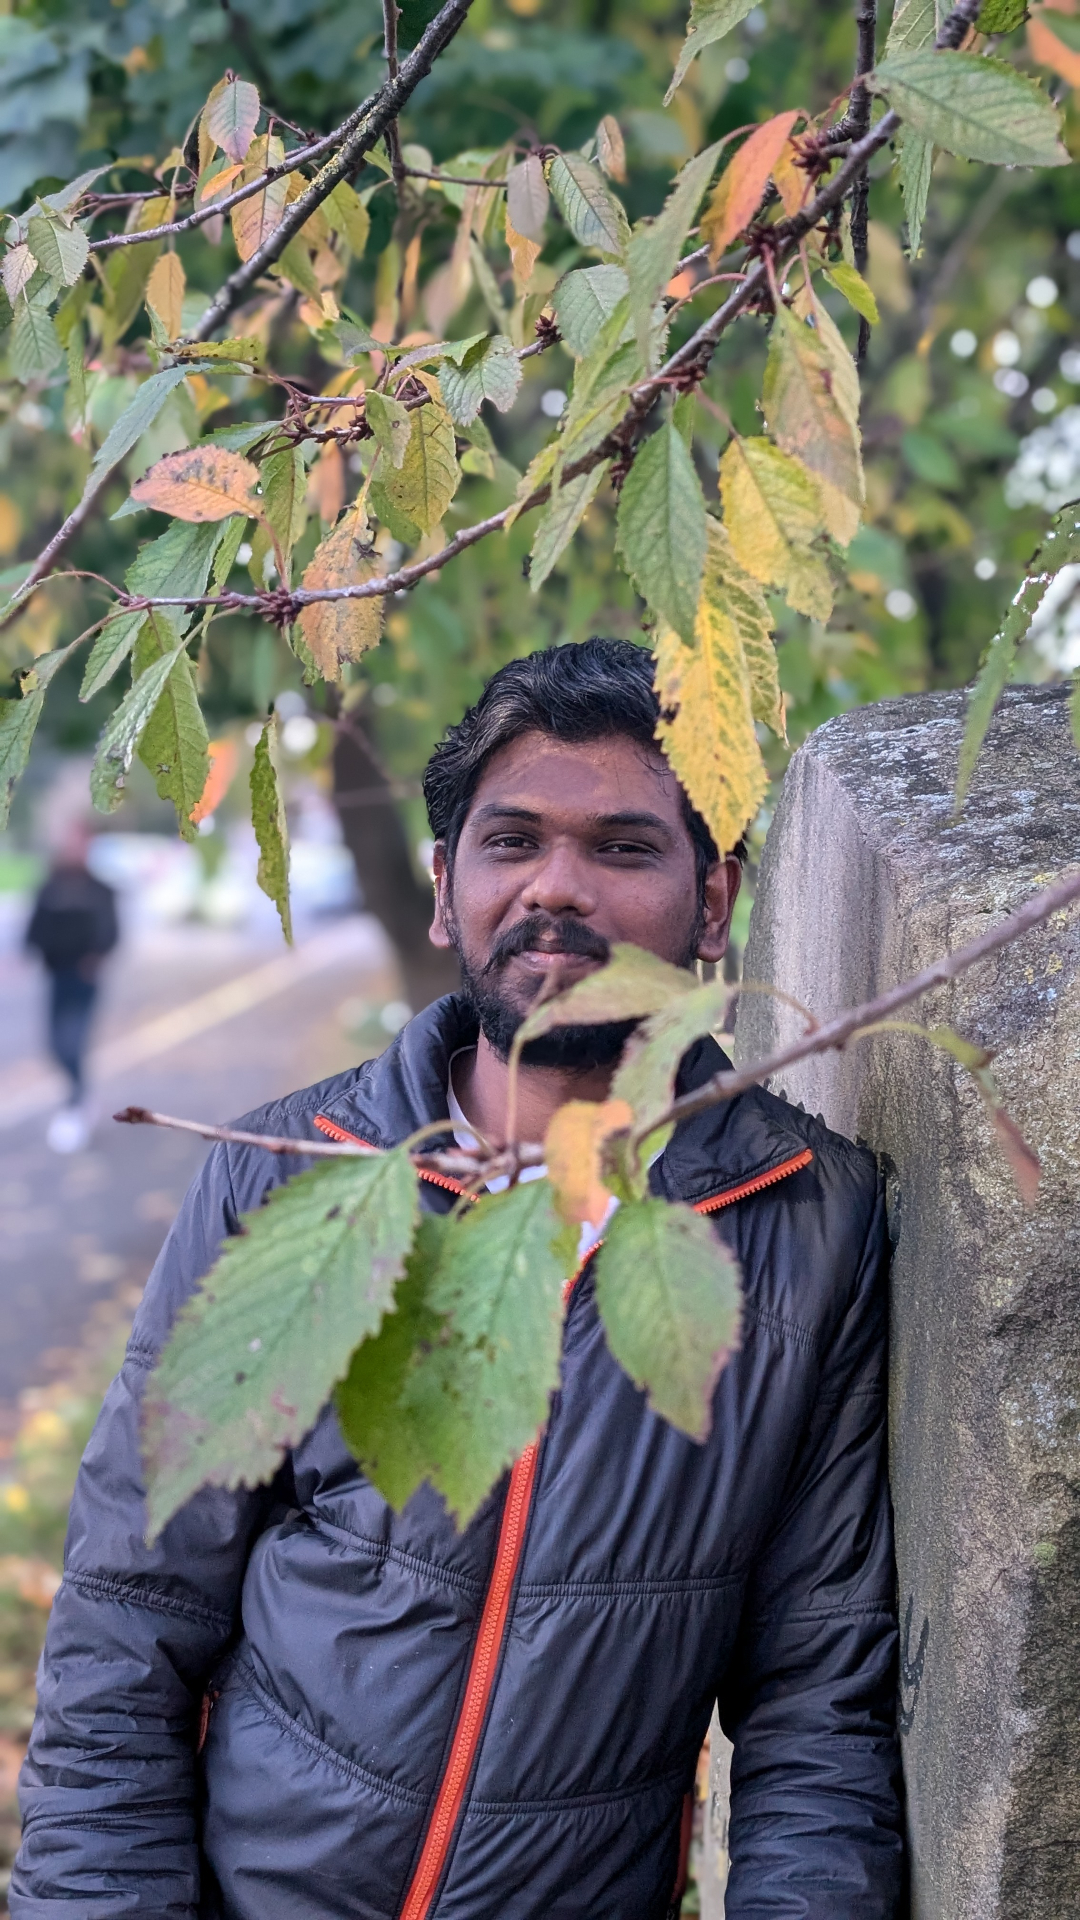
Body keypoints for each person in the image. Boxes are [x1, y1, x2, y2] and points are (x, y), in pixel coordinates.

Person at [13, 640, 903, 1919]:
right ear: (445, 889)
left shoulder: (808, 1224)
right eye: (513, 842)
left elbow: (818, 1701)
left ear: (716, 904)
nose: (558, 887)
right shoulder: (293, 1178)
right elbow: (128, 1619)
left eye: (624, 848)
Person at [25, 826, 118, 1154]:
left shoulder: (99, 889)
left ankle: (76, 1102)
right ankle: (79, 1096)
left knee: (73, 1041)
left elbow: (111, 930)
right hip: (57, 976)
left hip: (85, 978)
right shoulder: (52, 886)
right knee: (55, 1044)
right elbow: (35, 927)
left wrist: (98, 957)